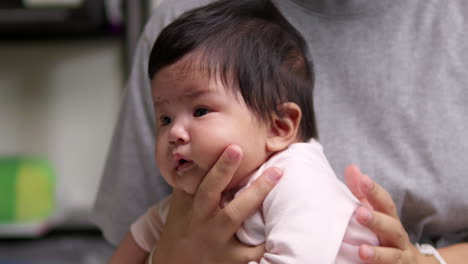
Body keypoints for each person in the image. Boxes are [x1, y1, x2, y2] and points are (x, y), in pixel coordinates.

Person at [93, 0, 468, 263]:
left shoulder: (292, 180)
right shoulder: (184, 28)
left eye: (201, 111)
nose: (175, 132)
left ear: (280, 126)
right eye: (164, 120)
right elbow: (138, 238)